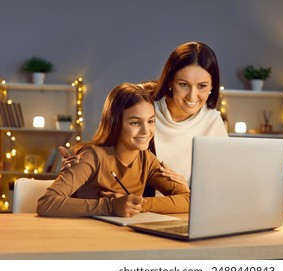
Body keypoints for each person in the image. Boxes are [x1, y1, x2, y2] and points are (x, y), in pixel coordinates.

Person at [61, 41, 228, 185]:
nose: (192, 96)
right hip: (128, 201)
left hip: (180, 206)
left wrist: (186, 187)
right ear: (170, 81)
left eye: (202, 86)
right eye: (183, 84)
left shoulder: (212, 121)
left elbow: (219, 182)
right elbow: (105, 145)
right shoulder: (141, 101)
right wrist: (79, 161)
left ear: (213, 86)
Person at [37, 83, 190, 217]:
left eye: (150, 121)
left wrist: (139, 205)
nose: (146, 131)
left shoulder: (146, 159)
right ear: (115, 123)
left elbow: (188, 200)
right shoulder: (92, 156)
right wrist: (110, 207)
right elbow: (46, 203)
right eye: (135, 123)